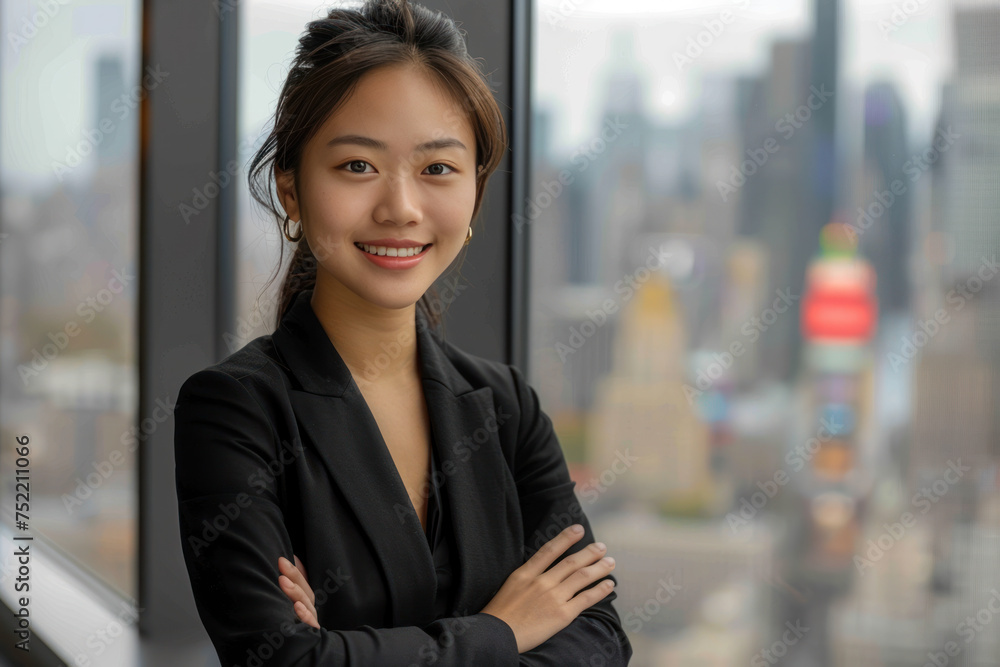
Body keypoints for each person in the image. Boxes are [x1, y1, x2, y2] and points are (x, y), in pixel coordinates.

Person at [172, 0, 632, 664]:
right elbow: (281, 660)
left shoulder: (507, 409)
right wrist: (504, 628)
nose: (401, 207)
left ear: (475, 190)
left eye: (437, 168)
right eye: (357, 166)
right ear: (292, 190)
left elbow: (600, 639)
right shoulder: (234, 411)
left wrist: (347, 645)